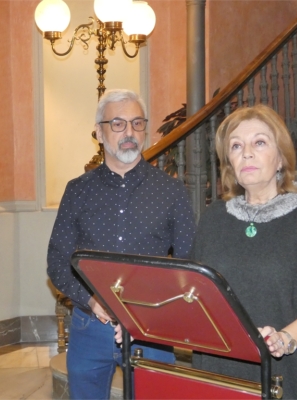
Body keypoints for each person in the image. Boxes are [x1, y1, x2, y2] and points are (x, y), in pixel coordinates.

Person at [47, 89, 196, 400]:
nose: (129, 132)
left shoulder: (172, 192)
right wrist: (92, 301)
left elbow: (188, 267)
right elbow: (58, 261)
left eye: (137, 123)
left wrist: (148, 315)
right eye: (117, 124)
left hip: (151, 332)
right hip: (90, 328)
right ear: (99, 133)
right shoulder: (77, 191)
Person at [190, 104, 297, 399]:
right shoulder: (213, 218)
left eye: (259, 142)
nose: (246, 152)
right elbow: (192, 295)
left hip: (285, 376)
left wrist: (285, 339)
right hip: (218, 372)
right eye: (236, 146)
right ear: (230, 163)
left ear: (281, 159)